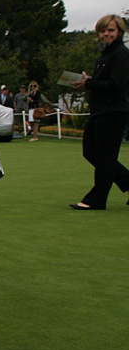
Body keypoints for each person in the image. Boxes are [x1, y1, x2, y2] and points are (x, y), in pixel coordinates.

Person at [68, 14, 129, 210]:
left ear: (119, 31)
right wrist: (88, 82)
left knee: (105, 157)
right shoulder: (106, 55)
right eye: (103, 31)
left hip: (114, 111)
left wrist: (90, 83)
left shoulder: (121, 54)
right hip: (100, 111)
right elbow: (104, 82)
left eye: (110, 30)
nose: (106, 34)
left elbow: (117, 84)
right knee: (91, 152)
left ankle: (96, 199)